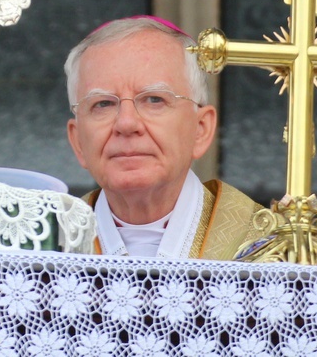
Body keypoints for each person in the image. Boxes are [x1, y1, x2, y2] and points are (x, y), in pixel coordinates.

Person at [64, 15, 265, 260]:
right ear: (78, 143)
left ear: (201, 129)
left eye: (154, 100)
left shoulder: (272, 250)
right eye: (103, 104)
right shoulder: (43, 251)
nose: (126, 123)